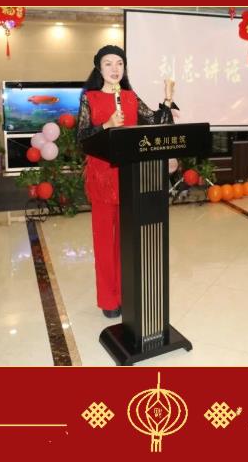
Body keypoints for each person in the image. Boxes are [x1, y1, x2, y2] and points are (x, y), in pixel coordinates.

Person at [77, 45, 177, 318]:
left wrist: (168, 98)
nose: (114, 68)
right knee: (104, 240)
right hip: (102, 177)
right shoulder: (90, 98)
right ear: (99, 68)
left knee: (127, 239)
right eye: (108, 63)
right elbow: (82, 137)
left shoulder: (130, 97)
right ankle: (108, 300)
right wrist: (107, 124)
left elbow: (155, 121)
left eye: (119, 63)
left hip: (129, 175)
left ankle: (125, 294)